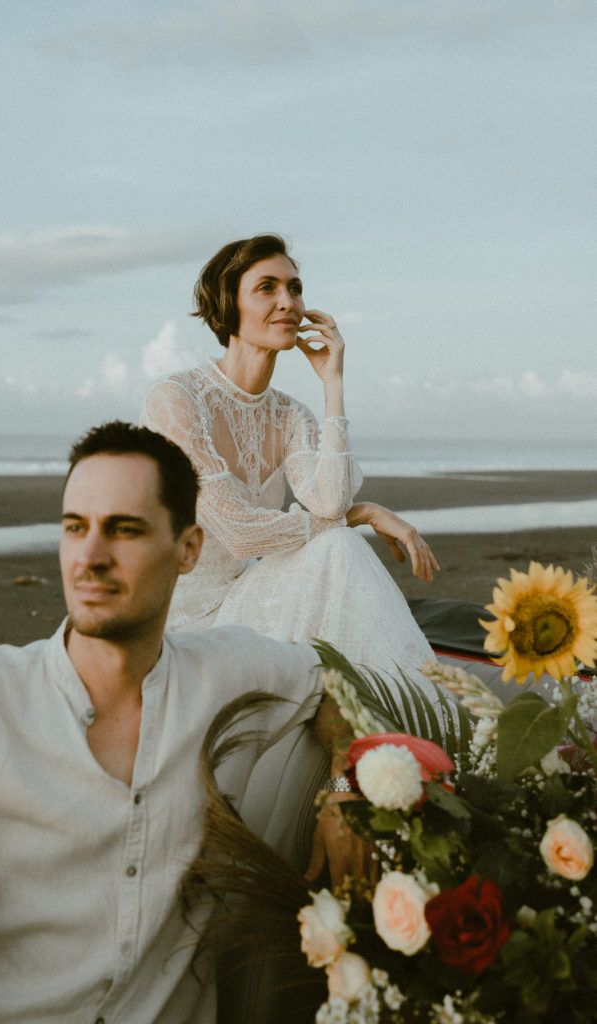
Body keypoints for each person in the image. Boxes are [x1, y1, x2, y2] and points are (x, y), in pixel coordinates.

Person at [0, 421, 361, 1024]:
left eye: (124, 530)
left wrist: (341, 791)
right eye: (76, 528)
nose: (91, 557)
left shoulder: (228, 672)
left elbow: (333, 684)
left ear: (188, 549)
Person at [142, 235, 450, 858]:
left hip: (251, 598)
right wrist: (359, 516)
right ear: (228, 305)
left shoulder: (291, 414)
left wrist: (333, 382)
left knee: (335, 554)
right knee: (337, 550)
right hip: (187, 622)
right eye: (267, 288)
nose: (288, 301)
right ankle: (417, 747)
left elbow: (326, 500)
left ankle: (394, 757)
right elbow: (237, 529)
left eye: (295, 287)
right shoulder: (178, 400)